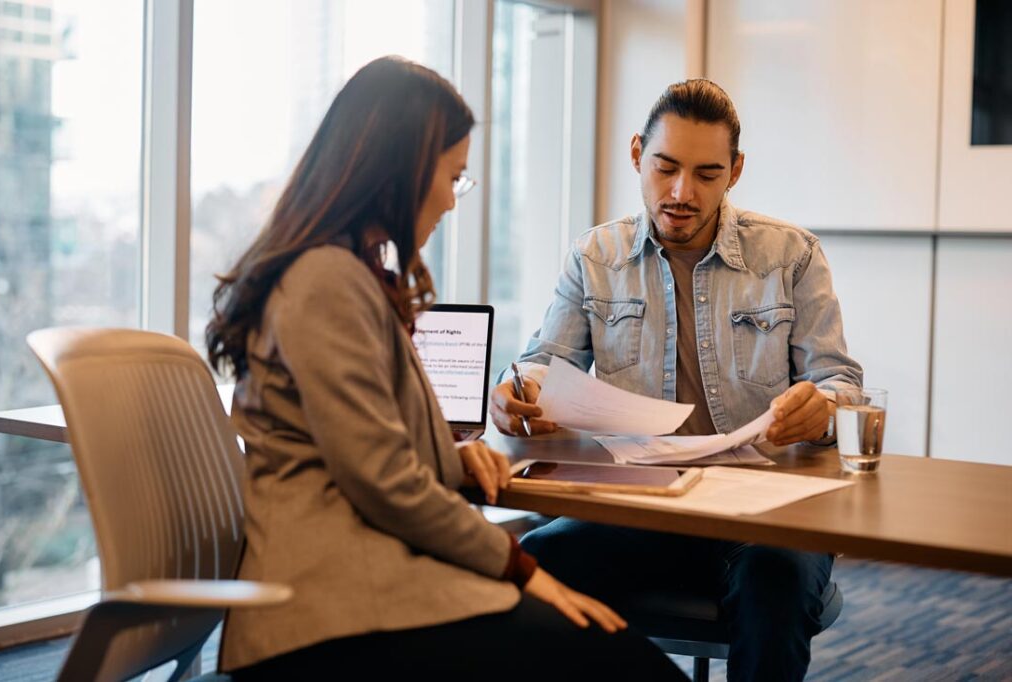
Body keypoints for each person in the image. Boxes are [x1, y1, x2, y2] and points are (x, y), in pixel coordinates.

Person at [205, 56, 683, 679]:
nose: (454, 201)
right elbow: (382, 481)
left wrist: (450, 457)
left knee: (612, 651)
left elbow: (358, 447)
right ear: (400, 172)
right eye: (453, 176)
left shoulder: (346, 274)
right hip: (336, 606)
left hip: (372, 582)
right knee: (621, 662)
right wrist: (519, 569)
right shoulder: (326, 280)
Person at [490, 79, 862, 681]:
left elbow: (840, 381)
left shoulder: (791, 255)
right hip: (641, 506)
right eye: (665, 168)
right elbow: (541, 364)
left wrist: (821, 407)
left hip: (763, 511)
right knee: (532, 562)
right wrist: (519, 396)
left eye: (707, 174)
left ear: (735, 171)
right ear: (637, 155)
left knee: (776, 580)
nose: (682, 193)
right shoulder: (595, 256)